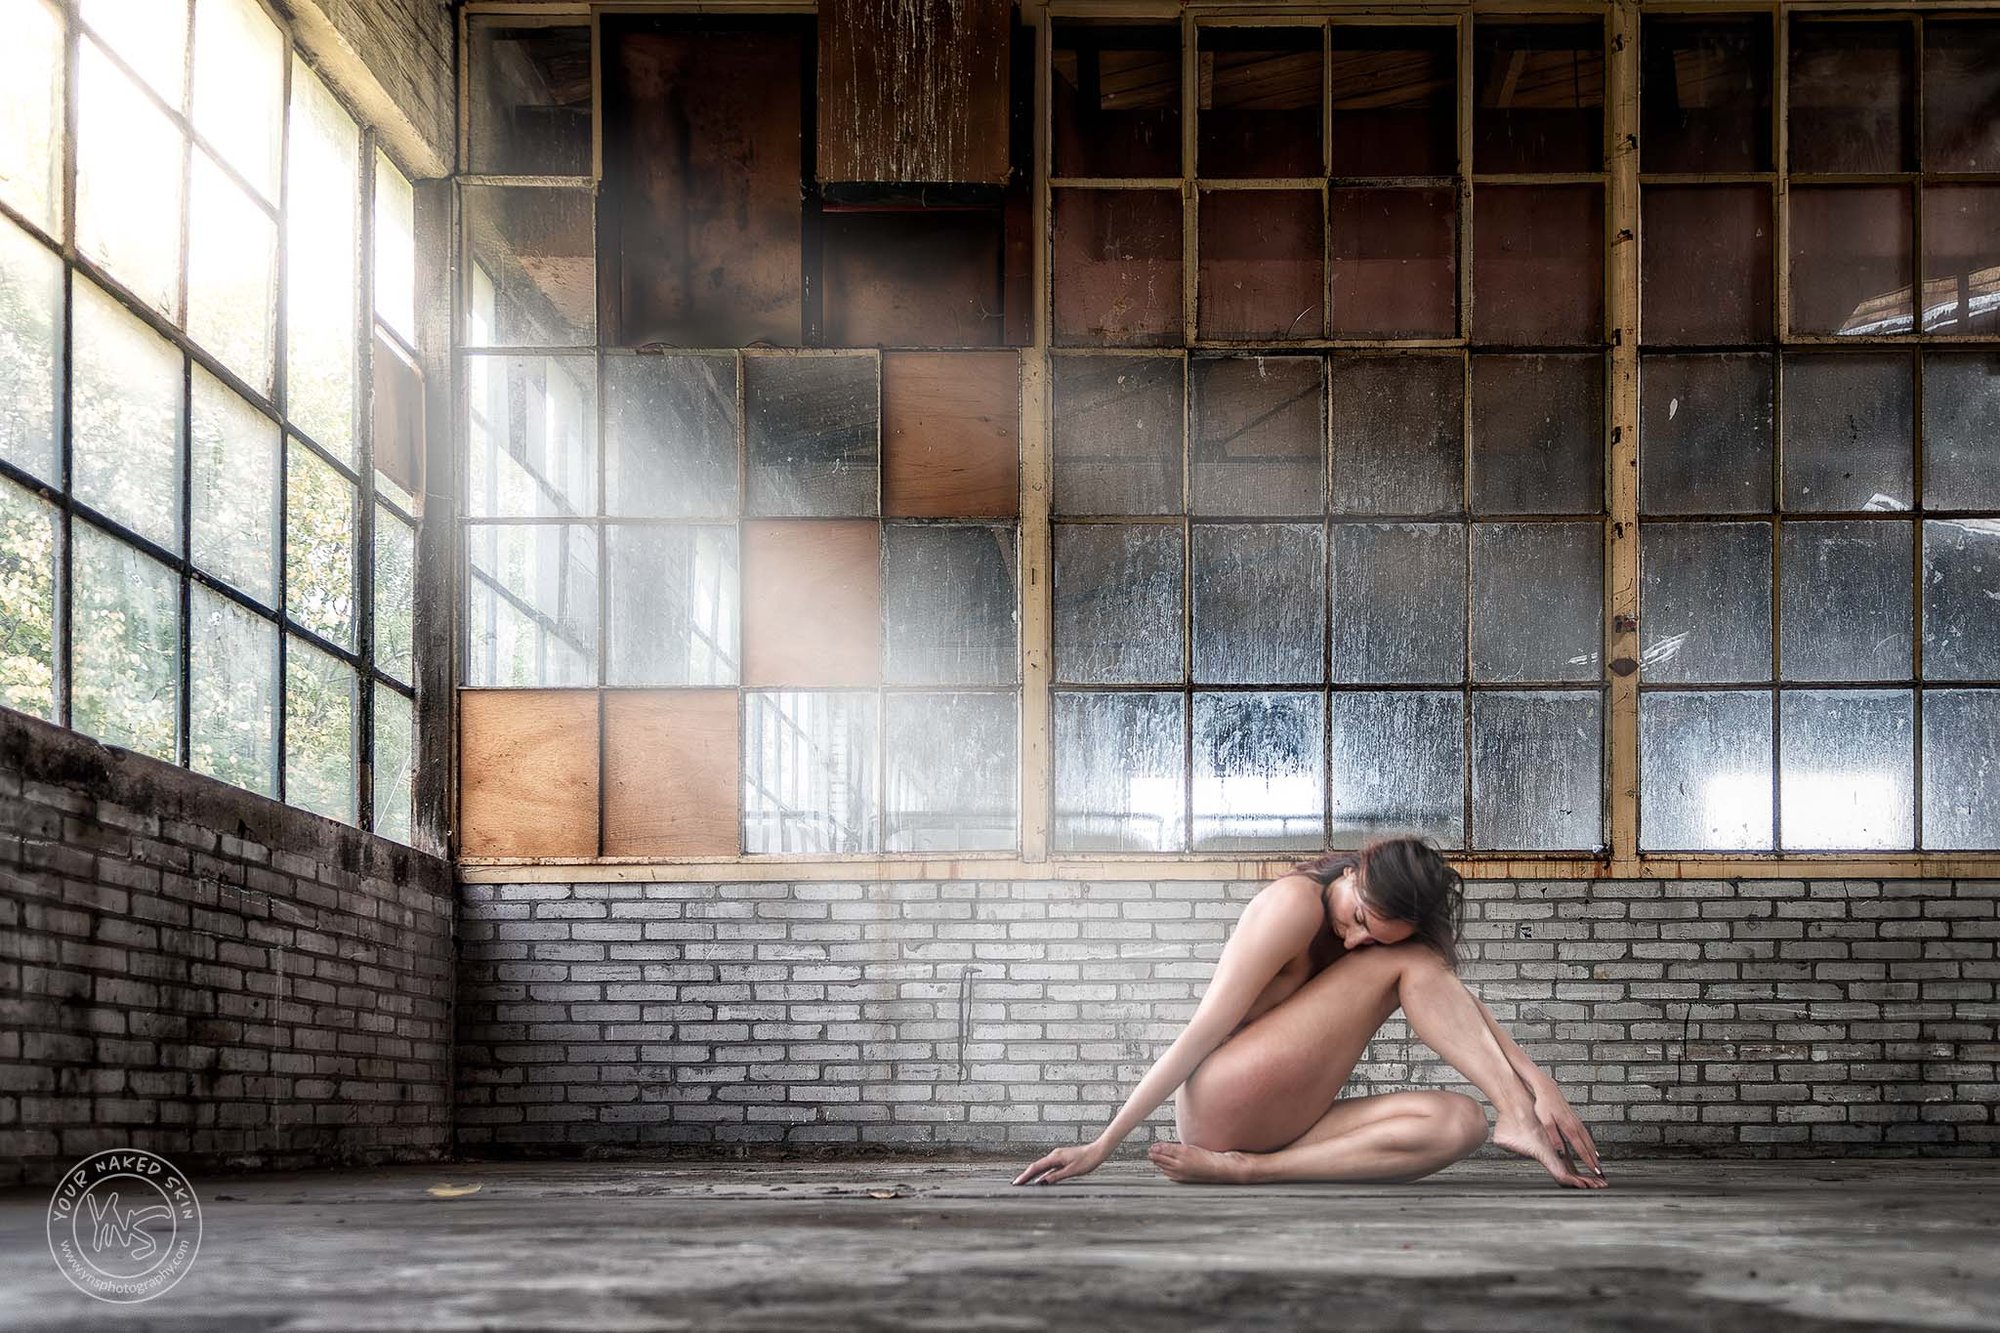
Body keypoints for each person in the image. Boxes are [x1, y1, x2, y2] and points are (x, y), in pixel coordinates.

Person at [1012, 836, 1607, 1189]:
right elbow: (1202, 1032)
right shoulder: (1294, 903)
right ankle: (1517, 1118)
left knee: (1460, 1122)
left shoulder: (1374, 936)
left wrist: (1539, 1083)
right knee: (1417, 962)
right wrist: (1101, 1146)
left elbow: (1456, 1002)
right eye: (1361, 920)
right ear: (1356, 871)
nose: (1354, 943)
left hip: (1277, 1126)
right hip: (1225, 1097)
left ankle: (1249, 1172)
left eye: (1374, 939)